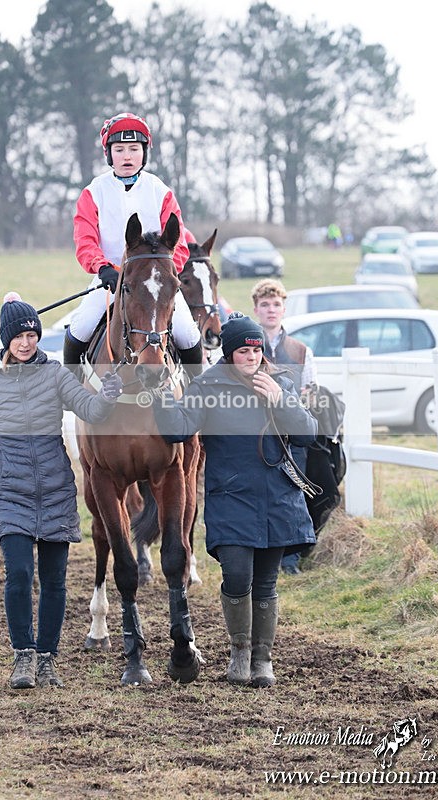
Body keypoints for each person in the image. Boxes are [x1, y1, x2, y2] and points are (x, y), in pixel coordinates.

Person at [151, 312, 317, 688]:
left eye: (256, 350)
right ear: (229, 353)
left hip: (277, 497)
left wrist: (279, 401)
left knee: (267, 582)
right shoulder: (209, 386)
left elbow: (308, 433)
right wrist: (161, 395)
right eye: (243, 351)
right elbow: (176, 429)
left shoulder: (278, 383)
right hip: (231, 498)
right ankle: (239, 650)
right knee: (237, 575)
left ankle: (263, 659)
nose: (251, 357)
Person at [0, 293, 123, 690]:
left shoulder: (55, 375)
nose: (26, 342)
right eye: (18, 337)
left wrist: (107, 395)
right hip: (8, 492)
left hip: (54, 490)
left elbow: (90, 411)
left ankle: (48, 658)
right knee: (19, 575)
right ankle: (23, 655)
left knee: (55, 581)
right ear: (6, 340)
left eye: (32, 335)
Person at [65, 111, 202, 376]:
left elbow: (179, 243)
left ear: (144, 152)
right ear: (109, 154)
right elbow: (85, 241)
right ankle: (72, 391)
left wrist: (165, 271)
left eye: (133, 149)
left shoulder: (161, 191)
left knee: (187, 333)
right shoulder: (93, 193)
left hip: (156, 282)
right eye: (119, 149)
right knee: (80, 327)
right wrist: (102, 268)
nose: (127, 156)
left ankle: (198, 400)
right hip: (110, 279)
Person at [252, 278, 316, 575]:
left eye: (276, 304)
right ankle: (261, 551)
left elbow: (311, 388)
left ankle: (289, 556)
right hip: (257, 434)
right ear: (256, 309)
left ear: (284, 308)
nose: (271, 310)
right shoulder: (247, 347)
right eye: (265, 304)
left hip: (290, 433)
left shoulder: (300, 351)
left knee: (291, 491)